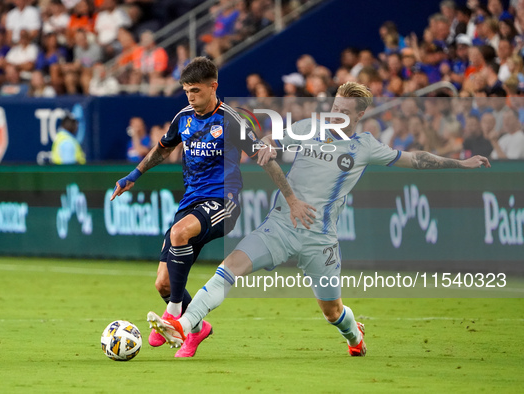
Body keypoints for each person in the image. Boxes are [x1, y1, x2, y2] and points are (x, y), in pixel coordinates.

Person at [147, 81, 491, 357]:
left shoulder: (365, 146)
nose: (336, 114)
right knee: (228, 269)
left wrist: (460, 164)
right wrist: (266, 145)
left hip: (320, 239)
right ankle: (183, 323)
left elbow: (415, 158)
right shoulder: (309, 127)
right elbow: (271, 141)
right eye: (334, 107)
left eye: (344, 111)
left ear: (358, 116)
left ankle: (355, 337)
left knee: (332, 312)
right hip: (280, 226)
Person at [110, 57, 313, 358]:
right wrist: (134, 175)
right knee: (163, 283)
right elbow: (163, 149)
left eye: (195, 91)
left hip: (223, 202)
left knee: (178, 234)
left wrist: (293, 200)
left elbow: (266, 161)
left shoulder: (231, 120)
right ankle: (197, 329)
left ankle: (174, 314)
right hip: (190, 203)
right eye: (186, 91)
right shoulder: (184, 117)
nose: (190, 97)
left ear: (213, 87)